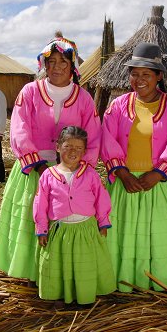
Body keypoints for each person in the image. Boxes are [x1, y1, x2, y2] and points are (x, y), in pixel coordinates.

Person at [0, 34, 101, 283]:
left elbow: (93, 135)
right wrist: (40, 165)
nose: (57, 67)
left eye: (64, 62)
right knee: (35, 219)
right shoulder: (30, 92)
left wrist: (79, 169)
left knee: (66, 221)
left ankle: (60, 274)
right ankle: (32, 272)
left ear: (72, 66)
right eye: (52, 61)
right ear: (43, 64)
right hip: (34, 170)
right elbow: (19, 129)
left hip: (71, 172)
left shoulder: (83, 98)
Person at [101, 42, 167, 292]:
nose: (139, 79)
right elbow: (107, 138)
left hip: (160, 184)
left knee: (161, 235)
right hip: (126, 183)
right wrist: (121, 171)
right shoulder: (118, 106)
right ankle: (127, 281)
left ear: (159, 76)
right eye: (134, 73)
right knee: (125, 235)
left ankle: (163, 282)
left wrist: (159, 172)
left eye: (146, 74)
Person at [33, 126, 115, 306]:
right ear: (58, 147)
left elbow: (101, 198)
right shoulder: (48, 175)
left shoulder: (91, 174)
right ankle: (59, 296)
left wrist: (103, 221)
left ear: (84, 151)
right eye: (68, 146)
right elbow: (40, 203)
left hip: (85, 230)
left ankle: (84, 297)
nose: (73, 152)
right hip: (59, 231)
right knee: (60, 264)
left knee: (83, 264)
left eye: (78, 148)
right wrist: (41, 229)